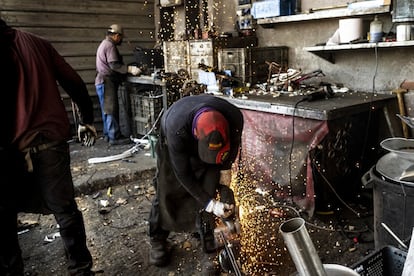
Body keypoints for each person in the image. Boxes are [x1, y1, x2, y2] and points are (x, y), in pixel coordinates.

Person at [0, 18, 97, 276]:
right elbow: (74, 82)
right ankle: (81, 270)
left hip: (10, 151)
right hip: (50, 144)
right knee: (65, 211)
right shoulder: (37, 43)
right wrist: (86, 120)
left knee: (5, 221)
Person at [148, 94, 244, 275]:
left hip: (209, 146)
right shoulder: (176, 127)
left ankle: (207, 235)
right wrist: (211, 204)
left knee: (209, 186)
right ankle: (158, 238)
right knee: (168, 191)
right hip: (174, 146)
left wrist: (224, 176)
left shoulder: (235, 117)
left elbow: (232, 149)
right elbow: (183, 174)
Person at [95, 24, 141, 145]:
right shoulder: (110, 46)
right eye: (120, 37)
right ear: (116, 36)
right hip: (107, 82)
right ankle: (114, 137)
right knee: (111, 109)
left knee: (106, 110)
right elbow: (114, 65)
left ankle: (107, 135)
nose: (121, 40)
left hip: (101, 81)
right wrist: (130, 69)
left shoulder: (104, 43)